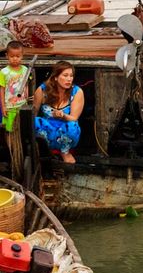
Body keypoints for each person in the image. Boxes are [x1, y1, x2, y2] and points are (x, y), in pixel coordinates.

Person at [32, 61, 84, 164]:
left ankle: (65, 152)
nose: (69, 79)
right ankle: (43, 150)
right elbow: (34, 113)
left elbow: (74, 118)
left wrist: (63, 116)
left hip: (65, 134)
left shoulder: (77, 92)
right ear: (55, 77)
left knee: (73, 126)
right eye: (65, 75)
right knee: (34, 121)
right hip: (47, 132)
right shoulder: (42, 90)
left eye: (71, 76)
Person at [1, 41, 30, 178]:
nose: (15, 59)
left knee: (22, 131)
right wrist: (3, 107)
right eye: (12, 56)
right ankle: (11, 155)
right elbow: (1, 91)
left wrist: (26, 98)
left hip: (21, 106)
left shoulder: (25, 70)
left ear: (22, 56)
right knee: (9, 132)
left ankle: (21, 153)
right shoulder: (4, 72)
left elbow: (26, 86)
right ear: (7, 56)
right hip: (9, 106)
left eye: (18, 56)